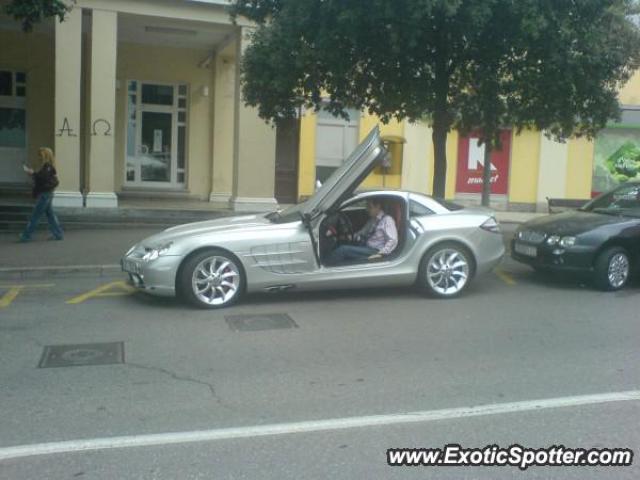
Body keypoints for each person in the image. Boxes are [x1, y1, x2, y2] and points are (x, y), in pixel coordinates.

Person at [327, 198, 398, 265]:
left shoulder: (387, 220)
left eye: (370, 207)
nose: (367, 209)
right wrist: (349, 237)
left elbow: (393, 240)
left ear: (378, 207)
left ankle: (327, 267)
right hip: (366, 245)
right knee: (341, 244)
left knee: (342, 250)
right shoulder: (373, 220)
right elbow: (362, 232)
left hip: (375, 250)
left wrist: (381, 254)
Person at [19, 147, 64, 242]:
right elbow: (41, 178)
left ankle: (26, 235)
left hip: (45, 195)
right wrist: (33, 174)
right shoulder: (48, 167)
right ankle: (58, 233)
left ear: (45, 156)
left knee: (35, 216)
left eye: (40, 155)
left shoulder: (47, 167)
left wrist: (32, 173)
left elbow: (42, 178)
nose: (39, 157)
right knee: (50, 215)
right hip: (48, 194)